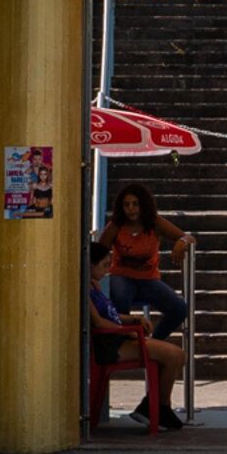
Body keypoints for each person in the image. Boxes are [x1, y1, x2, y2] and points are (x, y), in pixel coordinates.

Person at [89, 244, 184, 430]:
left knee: (176, 355)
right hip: (109, 343)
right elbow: (98, 322)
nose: (107, 271)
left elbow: (111, 314)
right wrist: (126, 330)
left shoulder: (94, 285)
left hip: (117, 336)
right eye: (104, 265)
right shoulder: (85, 290)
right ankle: (159, 407)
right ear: (90, 265)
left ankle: (156, 405)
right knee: (174, 355)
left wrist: (134, 318)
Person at [95, 183, 192, 343]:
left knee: (179, 309)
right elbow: (98, 251)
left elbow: (188, 238)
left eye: (135, 204)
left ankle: (153, 343)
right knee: (120, 297)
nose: (131, 209)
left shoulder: (155, 223)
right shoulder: (116, 225)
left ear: (143, 205)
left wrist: (182, 242)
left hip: (149, 279)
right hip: (122, 276)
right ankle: (124, 340)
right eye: (126, 205)